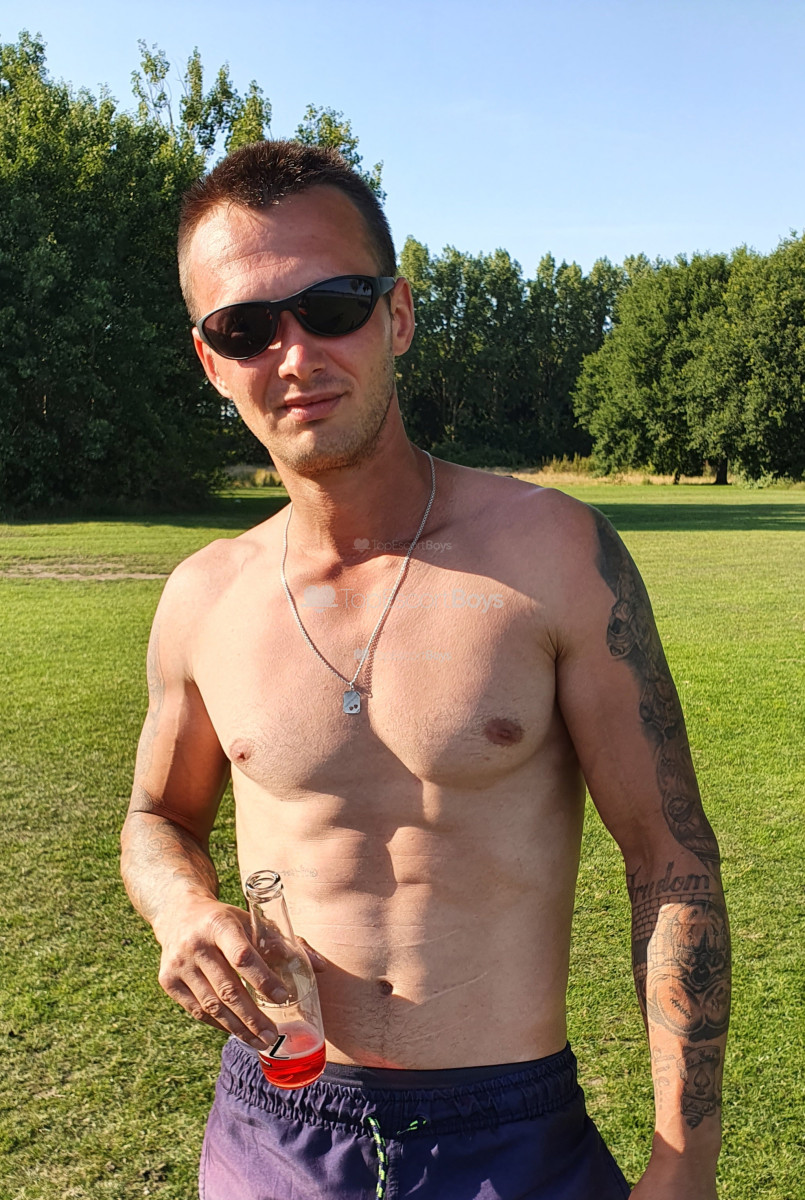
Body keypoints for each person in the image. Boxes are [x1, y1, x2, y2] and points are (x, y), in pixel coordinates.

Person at [120, 140, 730, 1200]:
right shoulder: (203, 595)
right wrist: (181, 910)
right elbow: (156, 818)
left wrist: (685, 1162)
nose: (295, 356)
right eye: (246, 328)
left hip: (509, 1138)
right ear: (210, 361)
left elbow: (669, 857)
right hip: (273, 1128)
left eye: (332, 306)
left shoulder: (555, 556)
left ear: (396, 314)